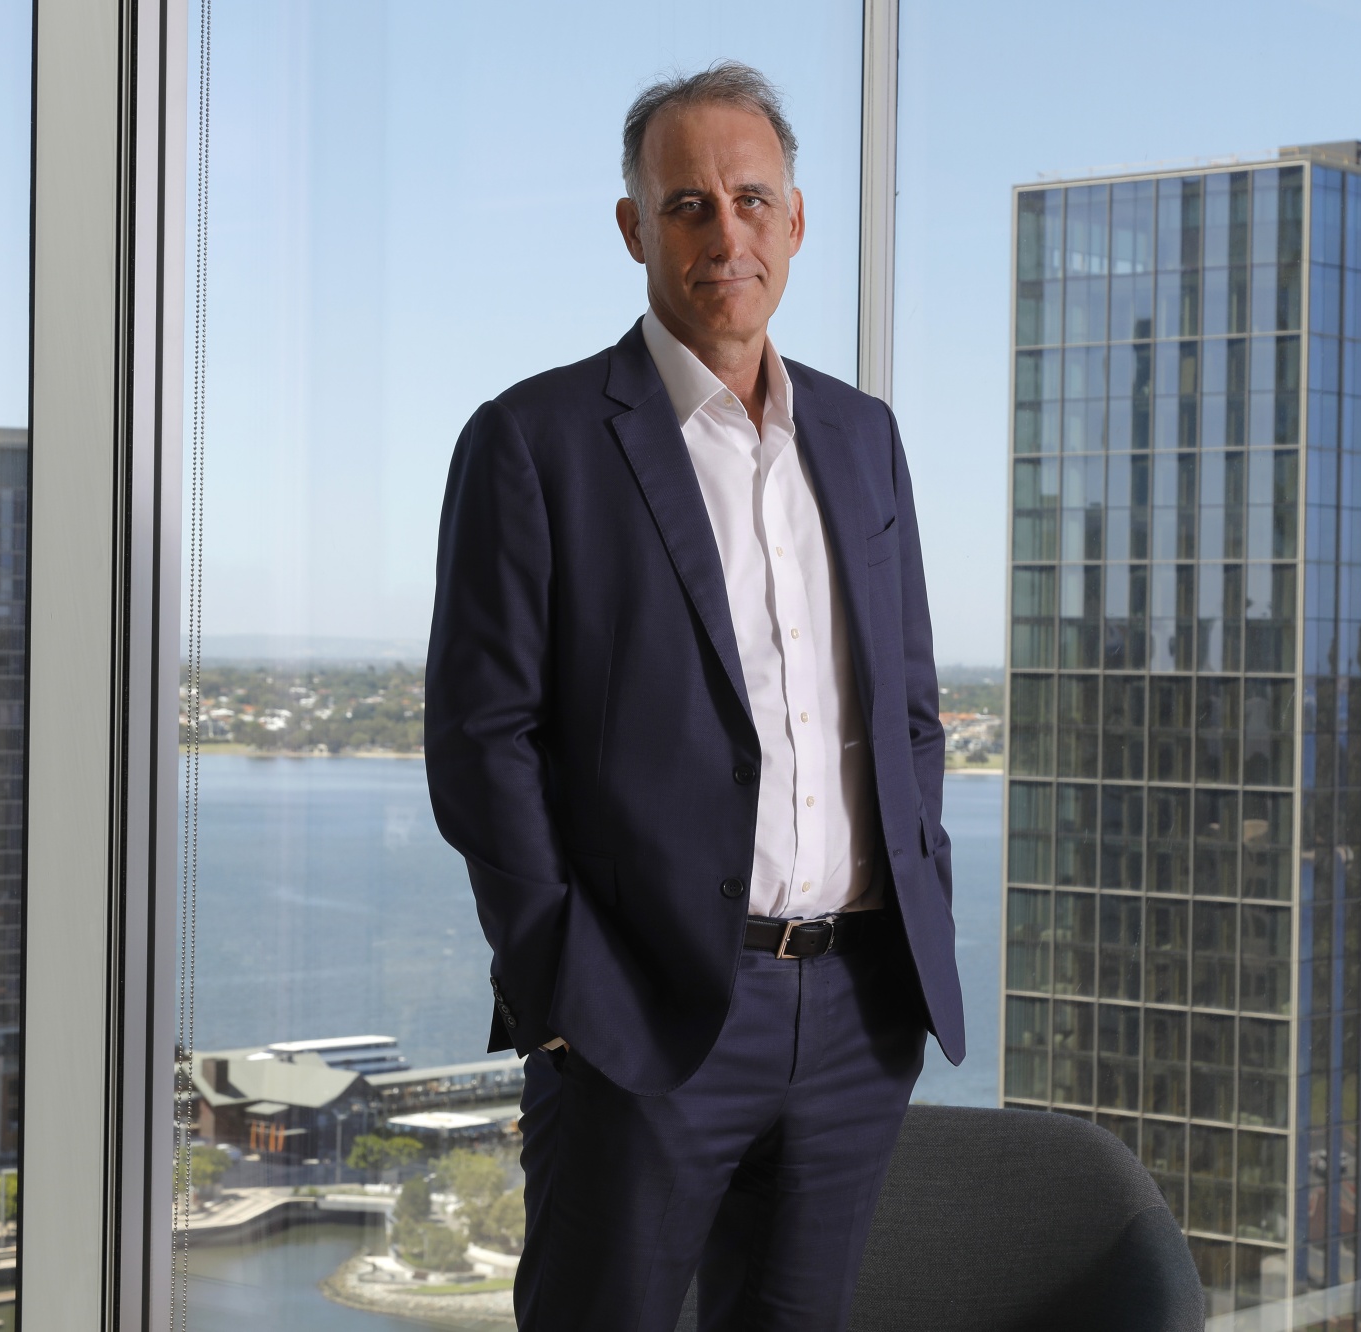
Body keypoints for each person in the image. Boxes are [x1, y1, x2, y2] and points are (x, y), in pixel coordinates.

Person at [425, 61, 963, 1332]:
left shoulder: (861, 435)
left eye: (750, 199)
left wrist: (909, 906)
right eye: (687, 205)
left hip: (853, 1016)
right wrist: (566, 993)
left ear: (794, 221)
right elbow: (478, 742)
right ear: (633, 229)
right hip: (644, 1024)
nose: (725, 233)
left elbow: (909, 710)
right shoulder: (532, 441)